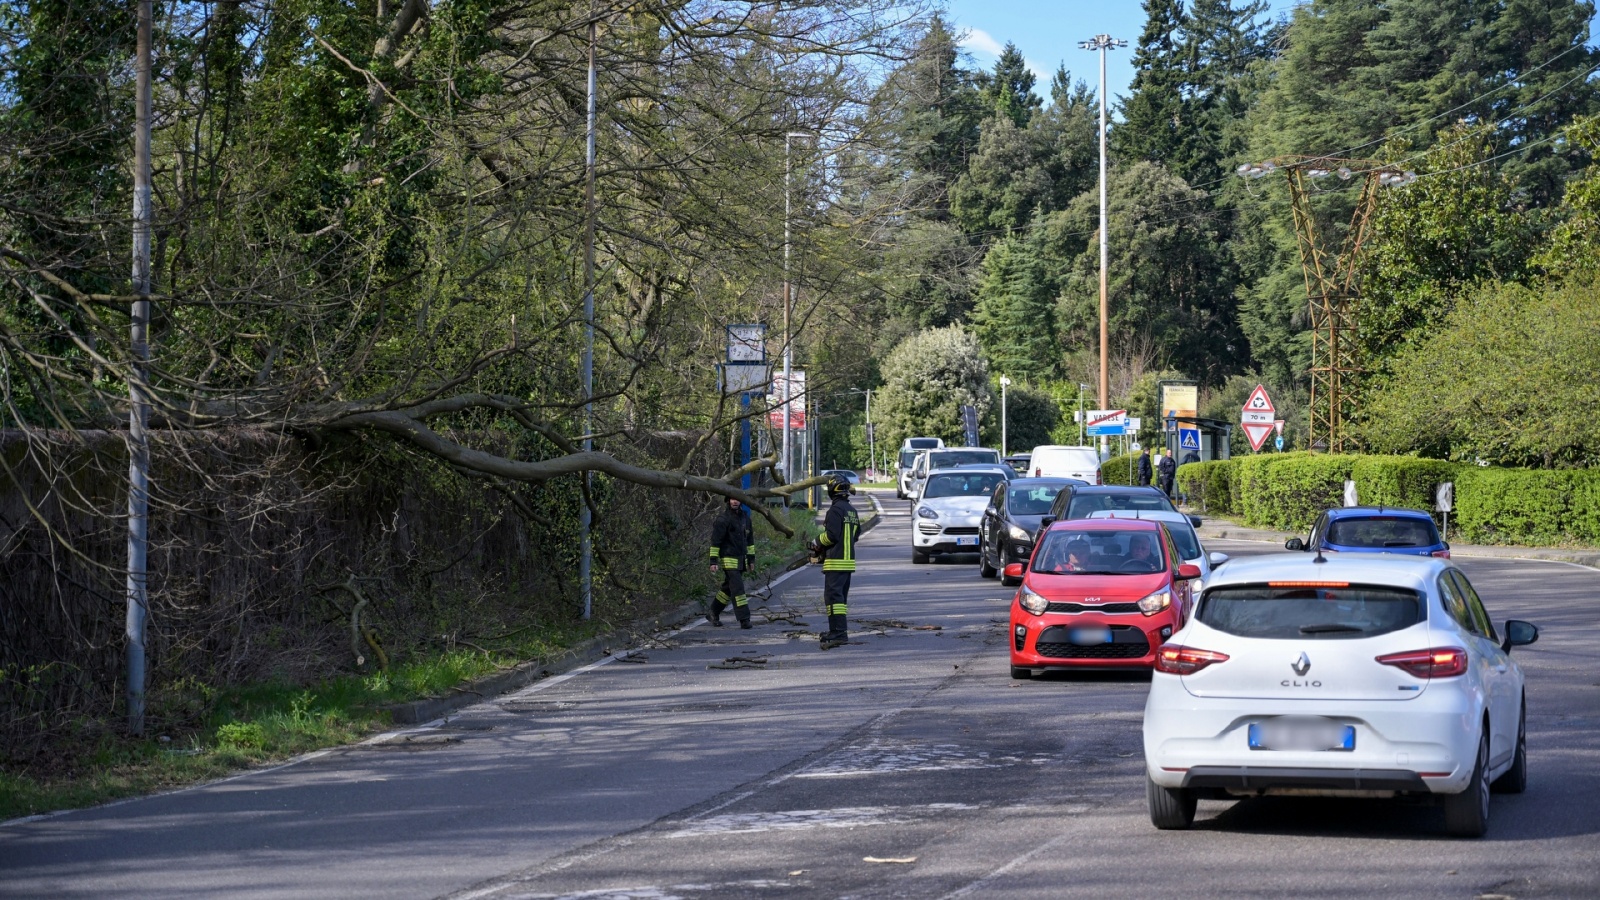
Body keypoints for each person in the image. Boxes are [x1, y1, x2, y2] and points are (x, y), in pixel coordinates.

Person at [808, 474, 860, 649]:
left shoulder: (835, 510)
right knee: (840, 600)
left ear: (831, 490)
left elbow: (831, 536)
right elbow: (856, 535)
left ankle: (838, 633)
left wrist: (816, 542)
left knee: (833, 599)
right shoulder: (852, 511)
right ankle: (838, 630)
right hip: (848, 563)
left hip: (835, 562)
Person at [708, 495, 756, 629]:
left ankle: (713, 612)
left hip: (741, 560)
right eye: (732, 499)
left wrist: (751, 559)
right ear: (728, 501)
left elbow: (750, 541)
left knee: (728, 589)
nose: (735, 501)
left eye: (737, 498)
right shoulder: (723, 520)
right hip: (728, 560)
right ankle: (744, 619)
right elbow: (715, 542)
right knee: (738, 589)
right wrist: (713, 561)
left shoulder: (745, 518)